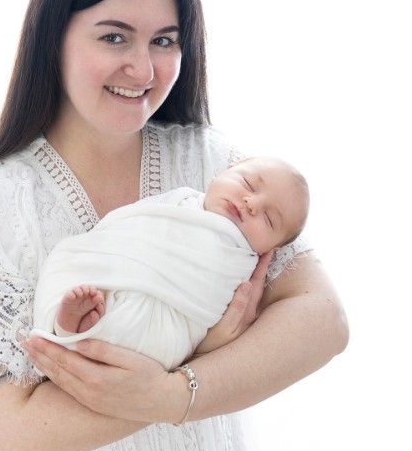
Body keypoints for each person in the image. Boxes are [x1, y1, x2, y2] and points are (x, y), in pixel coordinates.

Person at [0, 0, 348, 451]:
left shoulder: (220, 170)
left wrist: (172, 394)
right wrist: (194, 369)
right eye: (114, 37)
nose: (144, 70)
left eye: (164, 41)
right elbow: (9, 440)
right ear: (54, 38)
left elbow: (323, 321)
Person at [31, 156, 310, 371]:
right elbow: (125, 230)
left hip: (173, 316)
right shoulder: (180, 200)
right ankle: (76, 325)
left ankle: (79, 330)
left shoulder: (240, 262)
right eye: (248, 184)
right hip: (123, 270)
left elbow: (213, 302)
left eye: (269, 219)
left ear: (272, 248)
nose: (251, 203)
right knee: (75, 263)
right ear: (224, 171)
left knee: (154, 340)